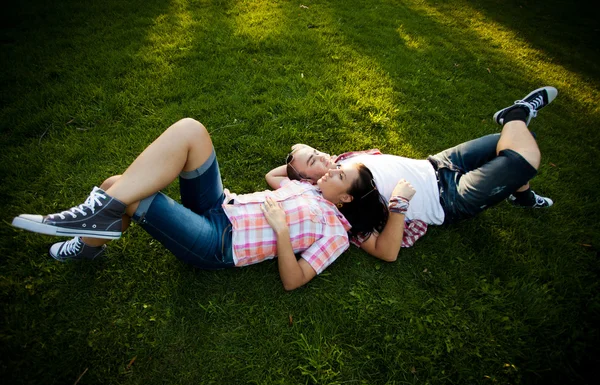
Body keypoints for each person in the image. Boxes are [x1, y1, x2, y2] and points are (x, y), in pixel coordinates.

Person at [11, 118, 413, 291]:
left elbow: (294, 280)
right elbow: (279, 174)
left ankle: (91, 232)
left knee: (122, 187)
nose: (331, 169)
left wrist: (283, 232)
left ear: (345, 198)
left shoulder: (336, 235)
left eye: (339, 175)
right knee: (191, 130)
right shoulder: (309, 187)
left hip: (219, 243)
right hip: (222, 205)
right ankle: (97, 222)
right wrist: (316, 164)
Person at [266, 87, 558, 258]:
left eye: (316, 151)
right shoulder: (347, 212)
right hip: (451, 198)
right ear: (307, 181)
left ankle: (522, 195)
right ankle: (517, 113)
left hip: (438, 164)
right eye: (313, 161)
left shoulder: (342, 161)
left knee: (505, 142)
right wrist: (398, 207)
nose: (321, 156)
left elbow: (288, 170)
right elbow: (386, 252)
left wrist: (307, 160)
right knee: (521, 158)